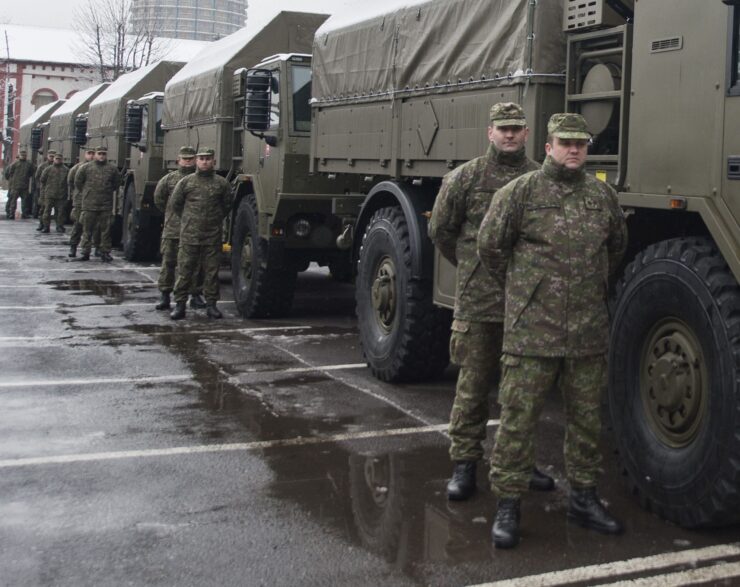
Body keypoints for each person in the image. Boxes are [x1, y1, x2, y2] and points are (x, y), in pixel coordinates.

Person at [477, 113, 628, 549]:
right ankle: (508, 503)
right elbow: (491, 247)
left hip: (586, 331)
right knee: (518, 420)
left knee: (585, 421)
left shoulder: (602, 196)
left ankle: (583, 497)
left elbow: (616, 247)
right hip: (532, 333)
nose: (574, 149)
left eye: (581, 143)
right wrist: (526, 290)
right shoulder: (520, 193)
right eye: (566, 142)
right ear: (547, 146)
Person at [429, 102, 553, 501]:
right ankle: (464, 464)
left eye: (517, 128)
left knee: (523, 394)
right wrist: (473, 266)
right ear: (490, 133)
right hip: (480, 303)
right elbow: (442, 233)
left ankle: (520, 462)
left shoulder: (539, 179)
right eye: (503, 129)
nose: (511, 135)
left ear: (527, 133)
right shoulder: (464, 179)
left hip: (526, 304)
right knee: (473, 386)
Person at [169, 147, 232, 320]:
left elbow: (227, 205)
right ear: (196, 161)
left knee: (211, 273)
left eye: (208, 158)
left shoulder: (221, 183)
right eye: (201, 158)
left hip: (212, 236)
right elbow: (176, 204)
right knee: (184, 271)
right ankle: (180, 305)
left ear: (214, 161)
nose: (204, 161)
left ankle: (211, 305)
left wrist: (213, 220)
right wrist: (189, 220)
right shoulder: (186, 182)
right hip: (190, 236)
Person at [152, 145, 206, 311]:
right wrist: (172, 215)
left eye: (191, 159)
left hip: (194, 230)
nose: (188, 162)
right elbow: (159, 199)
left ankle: (195, 294)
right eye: (185, 159)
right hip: (173, 229)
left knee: (195, 265)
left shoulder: (202, 180)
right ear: (178, 160)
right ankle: (165, 294)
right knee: (168, 263)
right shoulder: (169, 179)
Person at [74, 146, 119, 263]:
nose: (102, 156)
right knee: (87, 230)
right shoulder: (86, 168)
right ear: (95, 155)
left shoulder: (112, 169)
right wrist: (87, 192)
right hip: (89, 204)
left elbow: (116, 184)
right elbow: (78, 182)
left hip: (105, 205)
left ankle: (105, 252)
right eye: (99, 153)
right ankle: (85, 252)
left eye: (104, 154)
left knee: (105, 231)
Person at [67, 148, 96, 258]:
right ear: (85, 155)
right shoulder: (77, 168)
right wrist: (79, 193)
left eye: (93, 154)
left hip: (94, 202)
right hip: (80, 202)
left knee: (92, 227)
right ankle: (73, 247)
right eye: (89, 153)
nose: (91, 156)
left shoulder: (99, 168)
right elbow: (71, 182)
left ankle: (88, 250)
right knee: (78, 225)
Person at [40, 153, 68, 233]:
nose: (58, 160)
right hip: (49, 194)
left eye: (59, 159)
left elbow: (68, 182)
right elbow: (42, 180)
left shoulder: (66, 170)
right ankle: (46, 226)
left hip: (61, 195)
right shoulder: (48, 169)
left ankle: (59, 226)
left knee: (60, 212)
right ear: (54, 159)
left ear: (62, 160)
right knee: (47, 211)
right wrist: (44, 191)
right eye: (56, 159)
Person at [4, 149, 35, 220]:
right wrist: (12, 181)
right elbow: (9, 173)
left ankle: (25, 213)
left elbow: (32, 172)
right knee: (13, 201)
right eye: (22, 155)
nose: (23, 157)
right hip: (15, 186)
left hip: (24, 186)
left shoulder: (29, 164)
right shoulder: (15, 164)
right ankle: (11, 213)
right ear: (19, 156)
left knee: (25, 201)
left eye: (24, 156)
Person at [34, 150, 55, 228]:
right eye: (51, 156)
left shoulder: (61, 167)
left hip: (57, 192)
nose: (52, 158)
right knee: (43, 208)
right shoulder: (42, 166)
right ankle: (42, 224)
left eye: (53, 156)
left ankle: (59, 226)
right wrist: (40, 187)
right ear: (48, 156)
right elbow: (37, 177)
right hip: (45, 191)